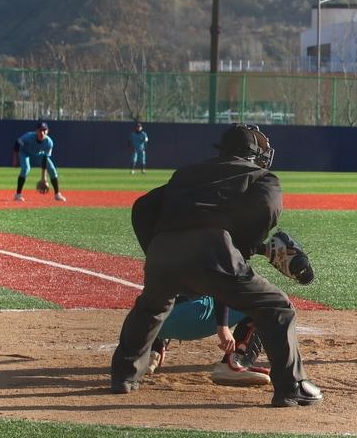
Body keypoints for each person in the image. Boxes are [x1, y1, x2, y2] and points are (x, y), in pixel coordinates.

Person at [110, 123, 323, 406]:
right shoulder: (261, 176)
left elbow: (143, 207)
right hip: (212, 250)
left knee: (151, 307)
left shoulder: (186, 174)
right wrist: (244, 248)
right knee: (276, 306)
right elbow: (267, 210)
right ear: (252, 154)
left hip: (163, 250)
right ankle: (291, 386)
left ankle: (123, 376)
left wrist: (156, 248)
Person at [147, 295, 273, 387]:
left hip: (154, 322)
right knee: (266, 300)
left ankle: (150, 350)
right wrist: (222, 326)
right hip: (194, 316)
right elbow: (222, 288)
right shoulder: (219, 258)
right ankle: (233, 365)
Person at [12, 120, 65, 202]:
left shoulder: (49, 142)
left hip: (39, 154)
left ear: (47, 131)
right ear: (36, 131)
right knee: (25, 169)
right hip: (25, 152)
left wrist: (44, 178)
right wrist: (15, 159)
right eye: (40, 130)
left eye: (44, 130)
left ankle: (57, 194)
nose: (42, 132)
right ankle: (18, 195)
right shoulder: (28, 137)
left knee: (52, 169)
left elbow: (44, 159)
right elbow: (17, 142)